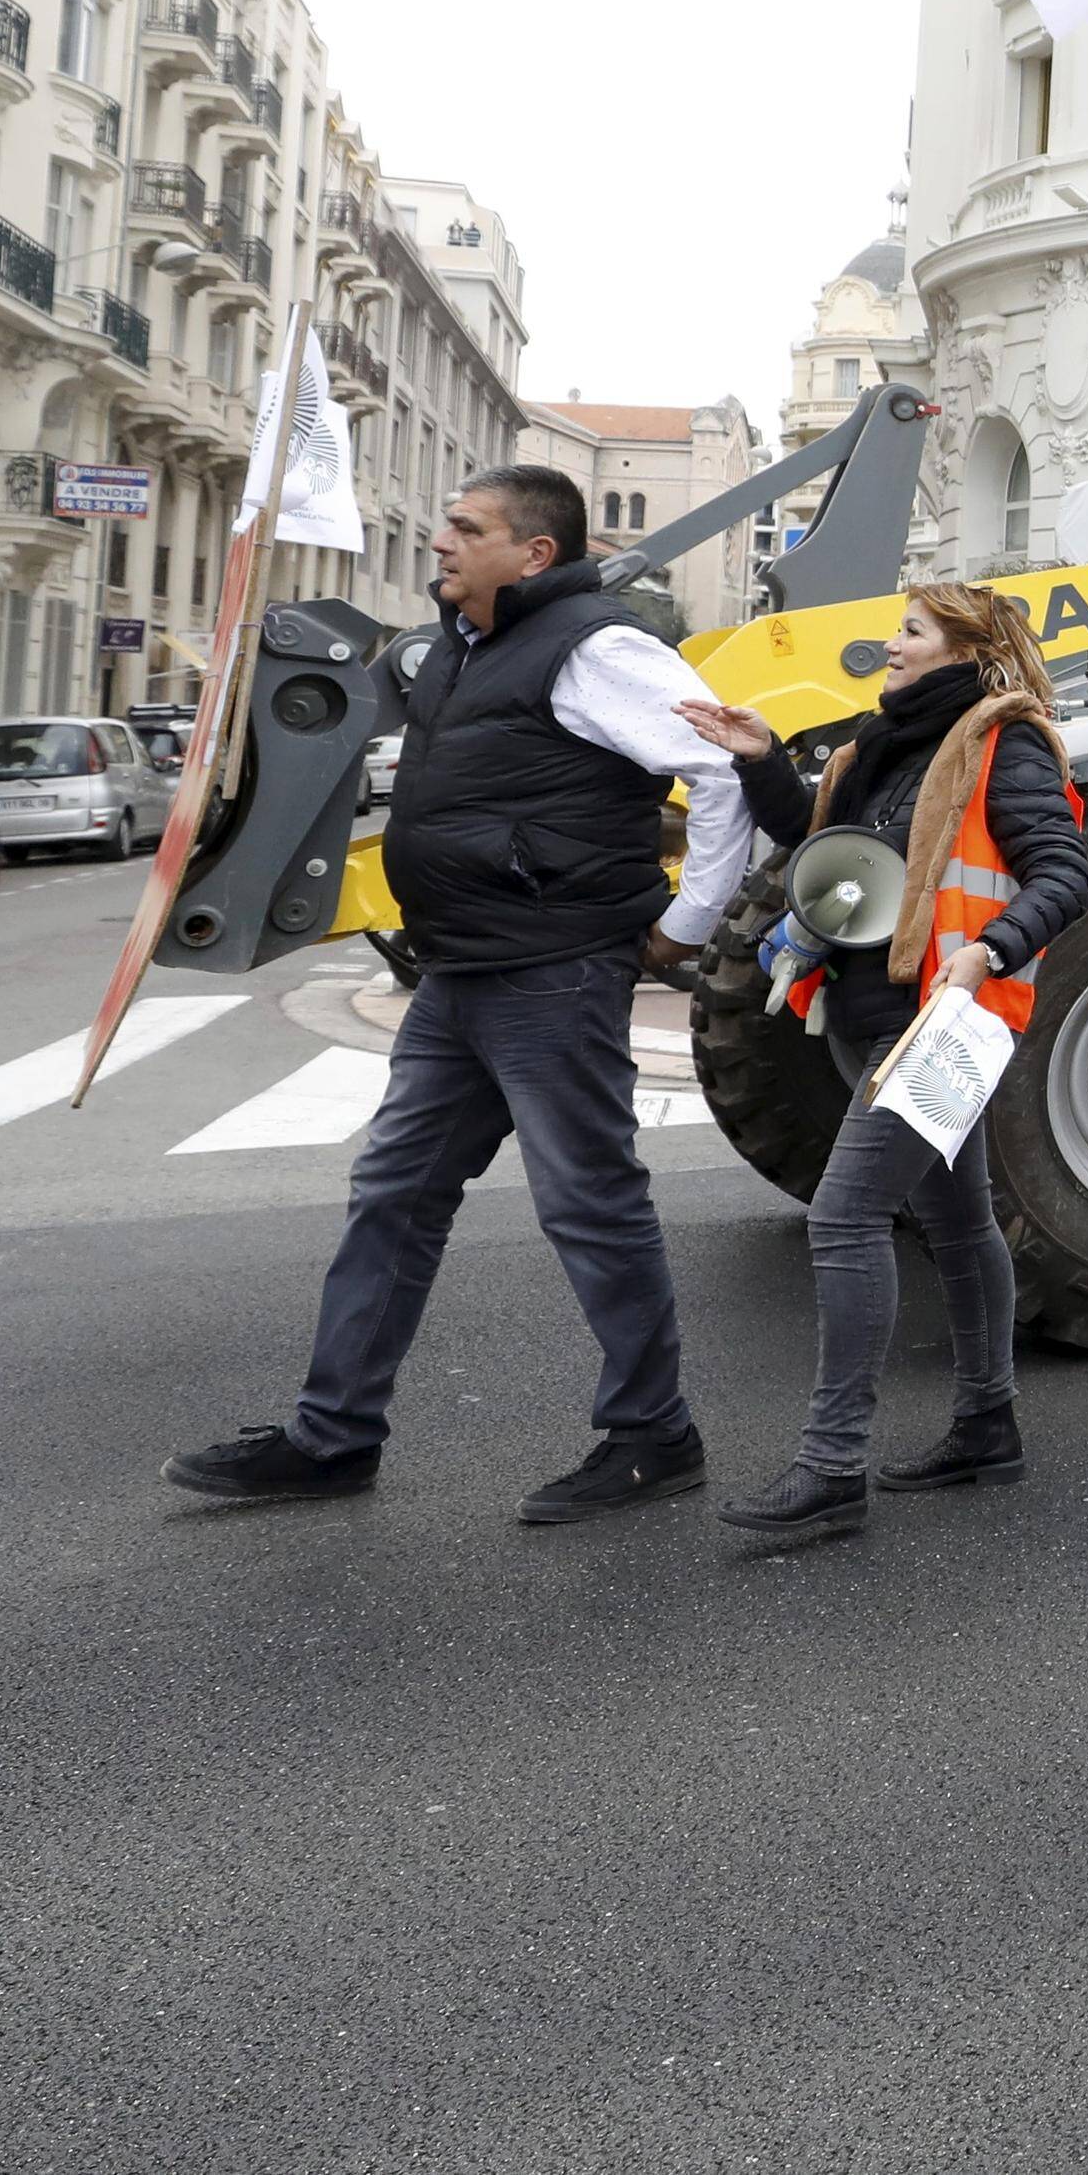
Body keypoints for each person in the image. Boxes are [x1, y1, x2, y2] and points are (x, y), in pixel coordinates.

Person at [168, 467, 762, 1521]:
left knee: (589, 1202)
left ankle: (653, 1433)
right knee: (393, 1194)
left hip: (555, 969)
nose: (441, 539)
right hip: (463, 972)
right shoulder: (461, 647)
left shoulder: (601, 647)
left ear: (533, 553)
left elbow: (720, 774)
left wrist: (687, 924)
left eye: (466, 527)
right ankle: (333, 1435)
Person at [678, 583, 1088, 1547]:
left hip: (944, 1025)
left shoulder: (1003, 743)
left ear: (963, 652)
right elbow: (827, 857)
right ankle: (988, 1424)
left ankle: (830, 1466)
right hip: (871, 1017)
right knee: (956, 1216)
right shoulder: (880, 750)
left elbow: (1066, 870)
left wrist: (989, 950)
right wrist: (762, 759)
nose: (889, 645)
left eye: (910, 631)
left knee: (847, 1213)